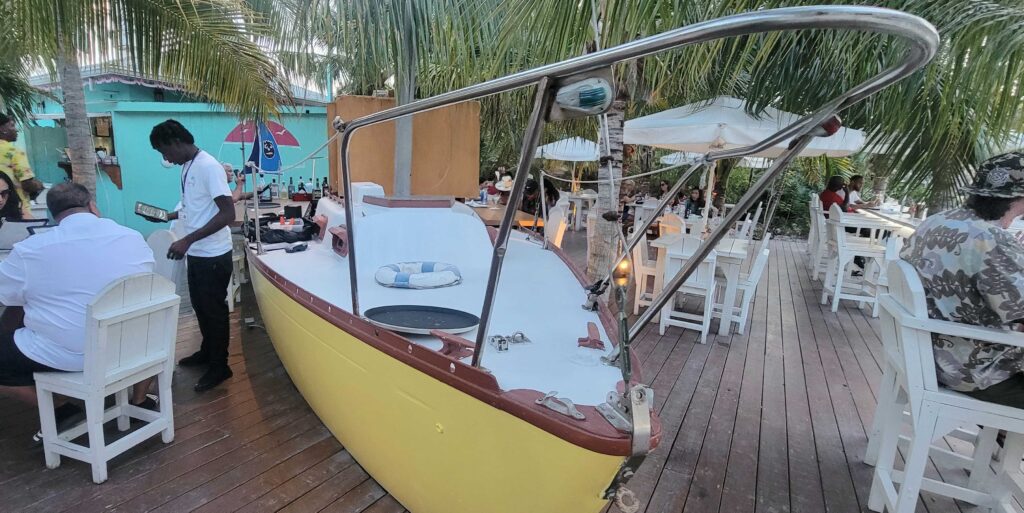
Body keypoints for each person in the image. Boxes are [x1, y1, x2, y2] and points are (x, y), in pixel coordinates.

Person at [0, 183, 155, 415]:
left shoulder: (30, 250)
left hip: (69, 355)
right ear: (92, 206)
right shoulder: (132, 237)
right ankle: (140, 399)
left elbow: (8, 296)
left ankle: (60, 409)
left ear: (53, 215)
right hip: (134, 345)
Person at [901, 151, 1024, 407]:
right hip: (974, 372)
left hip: (925, 357)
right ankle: (1006, 437)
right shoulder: (991, 239)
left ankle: (1004, 438)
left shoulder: (937, 222)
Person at [149, 119, 236, 392]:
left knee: (214, 311)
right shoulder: (187, 165)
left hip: (213, 254)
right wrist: (169, 215)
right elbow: (196, 207)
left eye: (165, 152)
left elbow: (227, 214)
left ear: (177, 142)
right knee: (200, 306)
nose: (165, 158)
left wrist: (187, 239)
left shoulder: (209, 167)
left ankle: (220, 366)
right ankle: (207, 351)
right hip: (198, 253)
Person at [0, 113, 44, 218]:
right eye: (12, 126)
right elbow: (27, 184)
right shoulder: (14, 152)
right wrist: (39, 185)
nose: (16, 130)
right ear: (2, 129)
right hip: (15, 209)